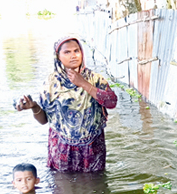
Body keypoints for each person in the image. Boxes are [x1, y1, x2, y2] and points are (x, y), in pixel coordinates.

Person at [15, 36, 117, 172]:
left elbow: (111, 102)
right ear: (58, 57)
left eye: (76, 51)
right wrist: (34, 107)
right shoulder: (51, 84)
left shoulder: (95, 79)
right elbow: (44, 120)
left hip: (92, 147)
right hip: (62, 148)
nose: (73, 56)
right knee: (63, 186)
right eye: (67, 52)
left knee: (94, 185)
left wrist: (83, 84)